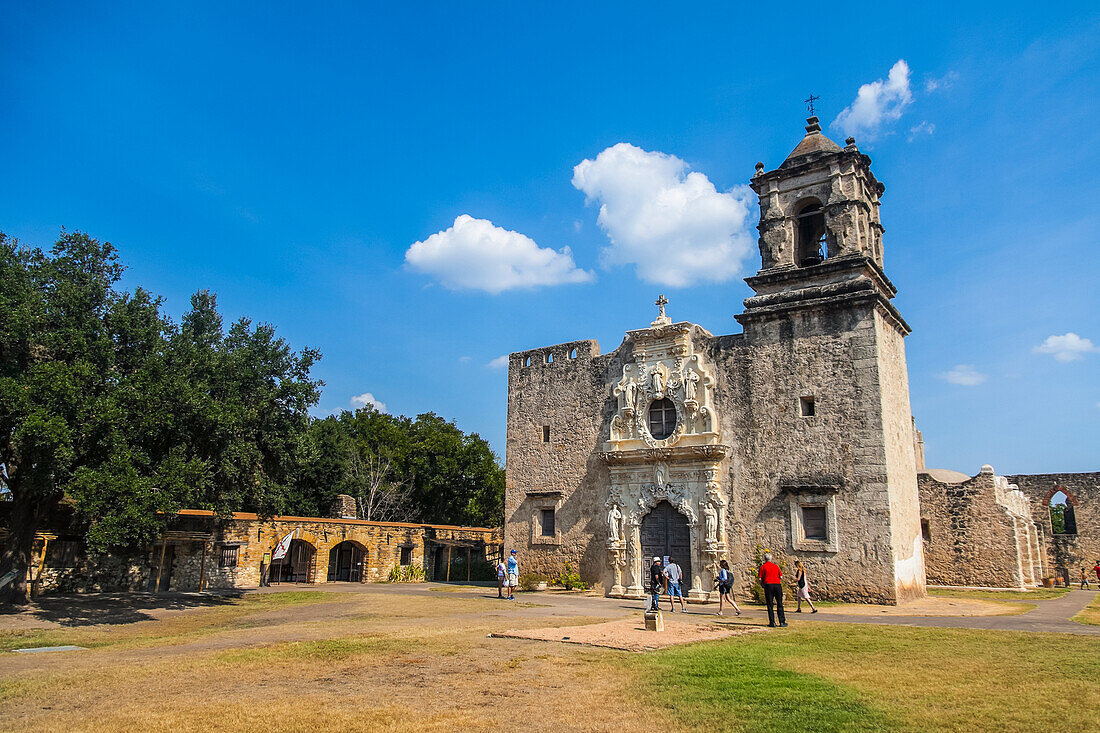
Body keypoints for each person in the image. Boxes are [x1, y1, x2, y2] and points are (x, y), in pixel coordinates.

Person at [758, 552, 787, 627]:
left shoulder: (763, 567)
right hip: (777, 585)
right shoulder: (776, 566)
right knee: (779, 603)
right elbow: (781, 577)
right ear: (771, 559)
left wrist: (762, 584)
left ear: (764, 559)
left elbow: (760, 578)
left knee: (770, 605)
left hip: (768, 585)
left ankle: (772, 622)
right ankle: (782, 621)